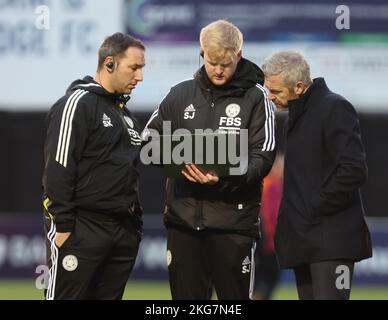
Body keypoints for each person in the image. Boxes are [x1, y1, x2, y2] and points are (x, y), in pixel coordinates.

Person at [142, 20, 276, 299]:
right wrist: (180, 163)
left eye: (225, 63)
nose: (217, 69)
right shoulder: (180, 93)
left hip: (233, 224)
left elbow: (263, 156)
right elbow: (147, 142)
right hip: (184, 224)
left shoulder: (257, 98)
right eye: (211, 61)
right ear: (202, 53)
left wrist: (226, 174)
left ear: (238, 56)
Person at [42, 32, 146, 300]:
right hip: (82, 229)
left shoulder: (127, 117)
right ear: (109, 63)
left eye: (141, 69)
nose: (140, 77)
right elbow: (58, 168)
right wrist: (64, 227)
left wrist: (133, 228)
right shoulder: (77, 103)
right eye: (134, 68)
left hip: (121, 233)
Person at [262, 51, 372, 300]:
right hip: (306, 239)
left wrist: (314, 207)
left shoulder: (335, 107)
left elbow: (353, 169)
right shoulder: (295, 115)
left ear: (299, 86)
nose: (270, 97)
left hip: (332, 241)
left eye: (276, 91)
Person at [253, 152, 283, 300]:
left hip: (262, 240)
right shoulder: (273, 185)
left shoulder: (264, 182)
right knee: (266, 282)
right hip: (269, 242)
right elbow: (272, 214)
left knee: (260, 282)